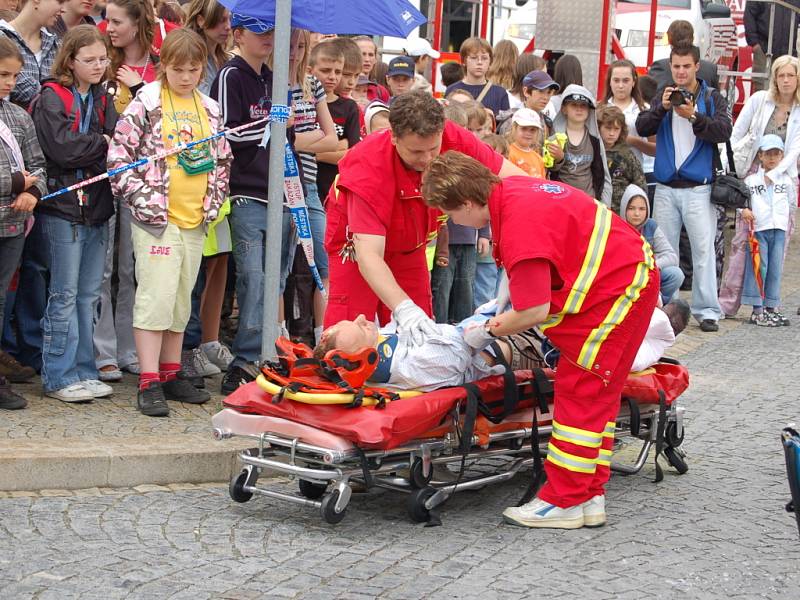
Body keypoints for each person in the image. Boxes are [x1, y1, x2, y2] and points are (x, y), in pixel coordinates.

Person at [421, 151, 659, 529]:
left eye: (450, 213)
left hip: (616, 290)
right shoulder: (512, 191)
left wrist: (486, 331)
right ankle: (588, 494)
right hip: (625, 278)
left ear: (467, 203)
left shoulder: (517, 223)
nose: (453, 221)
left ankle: (563, 500)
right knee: (597, 391)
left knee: (581, 389)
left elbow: (533, 311)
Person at [323, 90, 525, 333]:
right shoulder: (368, 166)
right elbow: (369, 257)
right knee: (348, 332)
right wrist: (403, 310)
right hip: (355, 244)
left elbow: (516, 184)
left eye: (434, 148)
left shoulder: (455, 139)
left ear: (441, 132)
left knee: (421, 329)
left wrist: (517, 261)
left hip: (410, 245)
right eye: (417, 152)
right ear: (394, 137)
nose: (428, 159)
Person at [109, 28, 233, 416]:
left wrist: (213, 203)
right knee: (155, 297)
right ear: (164, 67)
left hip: (195, 217)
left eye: (194, 69)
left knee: (181, 299)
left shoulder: (209, 108)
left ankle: (170, 369)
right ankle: (147, 379)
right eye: (178, 69)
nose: (186, 77)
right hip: (156, 219)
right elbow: (118, 158)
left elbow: (223, 158)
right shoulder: (146, 102)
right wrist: (143, 200)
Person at [210, 14, 297, 395]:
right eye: (260, 31)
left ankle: (267, 354)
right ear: (239, 34)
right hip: (246, 191)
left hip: (280, 192)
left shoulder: (274, 78)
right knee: (253, 279)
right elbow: (226, 133)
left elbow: (290, 138)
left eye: (273, 31)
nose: (269, 38)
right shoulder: (231, 75)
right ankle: (244, 360)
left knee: (275, 281)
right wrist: (273, 125)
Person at [32, 24, 118, 402]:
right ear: (70, 60)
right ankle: (58, 375)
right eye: (90, 60)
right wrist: (100, 142)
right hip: (62, 206)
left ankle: (85, 368)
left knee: (88, 294)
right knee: (63, 294)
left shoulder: (102, 97)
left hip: (97, 205)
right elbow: (62, 150)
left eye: (103, 58)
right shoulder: (52, 98)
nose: (98, 66)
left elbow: (119, 145)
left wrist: (101, 144)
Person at [636, 43, 732, 333]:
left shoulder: (712, 96)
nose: (680, 72)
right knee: (666, 252)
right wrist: (662, 109)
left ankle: (707, 311)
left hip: (699, 188)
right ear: (670, 67)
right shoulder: (662, 94)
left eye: (685, 66)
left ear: (696, 67)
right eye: (675, 66)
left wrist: (693, 116)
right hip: (666, 187)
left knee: (703, 251)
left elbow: (723, 131)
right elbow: (641, 126)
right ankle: (668, 308)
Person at [93, 0, 158, 382]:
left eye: (116, 21)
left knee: (134, 269)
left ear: (138, 23)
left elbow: (166, 122)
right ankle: (102, 351)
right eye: (106, 20)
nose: (109, 27)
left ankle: (130, 347)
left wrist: (141, 89)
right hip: (104, 177)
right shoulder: (101, 62)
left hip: (144, 181)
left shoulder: (160, 68)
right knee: (103, 270)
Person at [720, 55, 800, 317]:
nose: (786, 80)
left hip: (782, 179)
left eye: (791, 75)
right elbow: (737, 133)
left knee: (778, 243)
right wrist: (730, 168)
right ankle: (728, 302)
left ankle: (769, 302)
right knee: (744, 241)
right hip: (753, 176)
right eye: (781, 75)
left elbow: (794, 150)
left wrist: (774, 175)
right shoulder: (759, 100)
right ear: (774, 78)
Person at [279, 28, 338, 345]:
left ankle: (323, 335)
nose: (294, 52)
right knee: (280, 267)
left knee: (323, 260)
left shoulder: (312, 84)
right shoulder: (269, 80)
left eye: (300, 46)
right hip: (275, 183)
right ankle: (279, 338)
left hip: (309, 183)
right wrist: (304, 138)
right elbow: (267, 140)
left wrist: (290, 139)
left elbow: (331, 138)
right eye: (288, 46)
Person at [0, 36, 46, 409]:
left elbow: (39, 166)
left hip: (12, 225)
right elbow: (21, 175)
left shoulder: (18, 116)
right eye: (2, 74)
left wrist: (33, 192)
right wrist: (18, 183)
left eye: (13, 76)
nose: (9, 83)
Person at [738, 135, 793, 326]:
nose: (772, 158)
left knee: (775, 268)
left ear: (782, 156)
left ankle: (772, 305)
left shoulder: (786, 180)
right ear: (760, 156)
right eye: (767, 154)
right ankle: (757, 308)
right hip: (759, 229)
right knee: (759, 267)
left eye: (776, 154)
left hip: (778, 229)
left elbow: (792, 203)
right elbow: (741, 201)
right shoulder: (752, 180)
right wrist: (744, 211)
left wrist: (785, 219)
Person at [314, 37, 361, 200]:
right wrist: (336, 147)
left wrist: (315, 154)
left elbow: (352, 154)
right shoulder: (305, 103)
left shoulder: (349, 108)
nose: (333, 77)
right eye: (326, 71)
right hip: (305, 186)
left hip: (334, 187)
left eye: (338, 72)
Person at [620, 184, 684, 304]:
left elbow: (671, 256)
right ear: (624, 208)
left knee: (676, 274)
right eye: (631, 208)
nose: (637, 213)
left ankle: (656, 303)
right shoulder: (617, 227)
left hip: (648, 274)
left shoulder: (651, 226)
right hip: (626, 278)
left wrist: (652, 265)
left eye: (641, 209)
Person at [550, 84, 612, 205]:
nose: (579, 109)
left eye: (583, 105)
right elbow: (548, 171)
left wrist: (605, 206)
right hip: (561, 202)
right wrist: (558, 160)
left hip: (588, 202)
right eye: (574, 105)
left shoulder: (594, 140)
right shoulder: (555, 137)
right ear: (564, 109)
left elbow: (604, 175)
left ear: (590, 110)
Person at [0, 0, 63, 108]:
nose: (63, 9)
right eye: (60, 1)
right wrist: (58, 96)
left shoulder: (56, 44)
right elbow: (23, 89)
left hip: (53, 123)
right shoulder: (3, 36)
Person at [602, 59, 655, 166]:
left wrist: (634, 141)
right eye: (616, 80)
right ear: (610, 82)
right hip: (603, 173)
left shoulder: (645, 110)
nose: (621, 86)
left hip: (635, 174)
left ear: (634, 82)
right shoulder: (599, 108)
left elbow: (656, 149)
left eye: (626, 80)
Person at [597, 104, 646, 212]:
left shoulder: (626, 154)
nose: (612, 133)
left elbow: (640, 186)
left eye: (616, 129)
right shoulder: (592, 152)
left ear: (622, 130)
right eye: (608, 128)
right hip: (596, 210)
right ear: (598, 127)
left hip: (621, 212)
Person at [445, 36, 509, 117]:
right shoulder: (451, 90)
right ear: (464, 61)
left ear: (490, 62)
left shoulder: (500, 93)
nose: (479, 62)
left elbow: (505, 126)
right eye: (474, 58)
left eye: (484, 58)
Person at [648, 20, 719, 91]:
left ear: (669, 40)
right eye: (676, 66)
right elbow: (716, 98)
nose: (681, 71)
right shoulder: (710, 69)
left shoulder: (659, 68)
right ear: (692, 38)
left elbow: (649, 98)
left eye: (687, 66)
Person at [744, 1, 800, 92]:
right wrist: (755, 43)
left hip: (789, 51)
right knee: (762, 89)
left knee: (789, 89)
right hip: (763, 49)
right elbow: (749, 16)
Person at [184, 0, 231, 95]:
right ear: (201, 20)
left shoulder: (225, 58)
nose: (228, 26)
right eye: (221, 20)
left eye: (230, 19)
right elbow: (205, 99)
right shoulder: (190, 56)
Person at [506, 107, 545, 178]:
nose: (528, 133)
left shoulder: (538, 159)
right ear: (514, 128)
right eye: (524, 128)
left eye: (532, 130)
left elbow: (542, 184)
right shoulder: (508, 153)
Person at [352, 35, 389, 103]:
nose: (367, 59)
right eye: (363, 54)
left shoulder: (381, 91)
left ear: (375, 59)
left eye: (371, 55)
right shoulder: (340, 88)